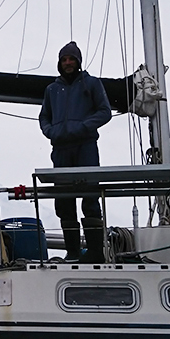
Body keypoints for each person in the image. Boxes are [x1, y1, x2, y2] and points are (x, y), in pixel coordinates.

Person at [38, 41, 112, 262]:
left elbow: (104, 111)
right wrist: (50, 131)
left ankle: (96, 252)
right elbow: (44, 116)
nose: (68, 63)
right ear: (60, 63)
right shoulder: (52, 90)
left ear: (78, 61)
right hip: (60, 149)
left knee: (90, 197)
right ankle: (72, 252)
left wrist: (83, 126)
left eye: (71, 59)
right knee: (64, 200)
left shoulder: (91, 84)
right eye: (64, 59)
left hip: (86, 147)